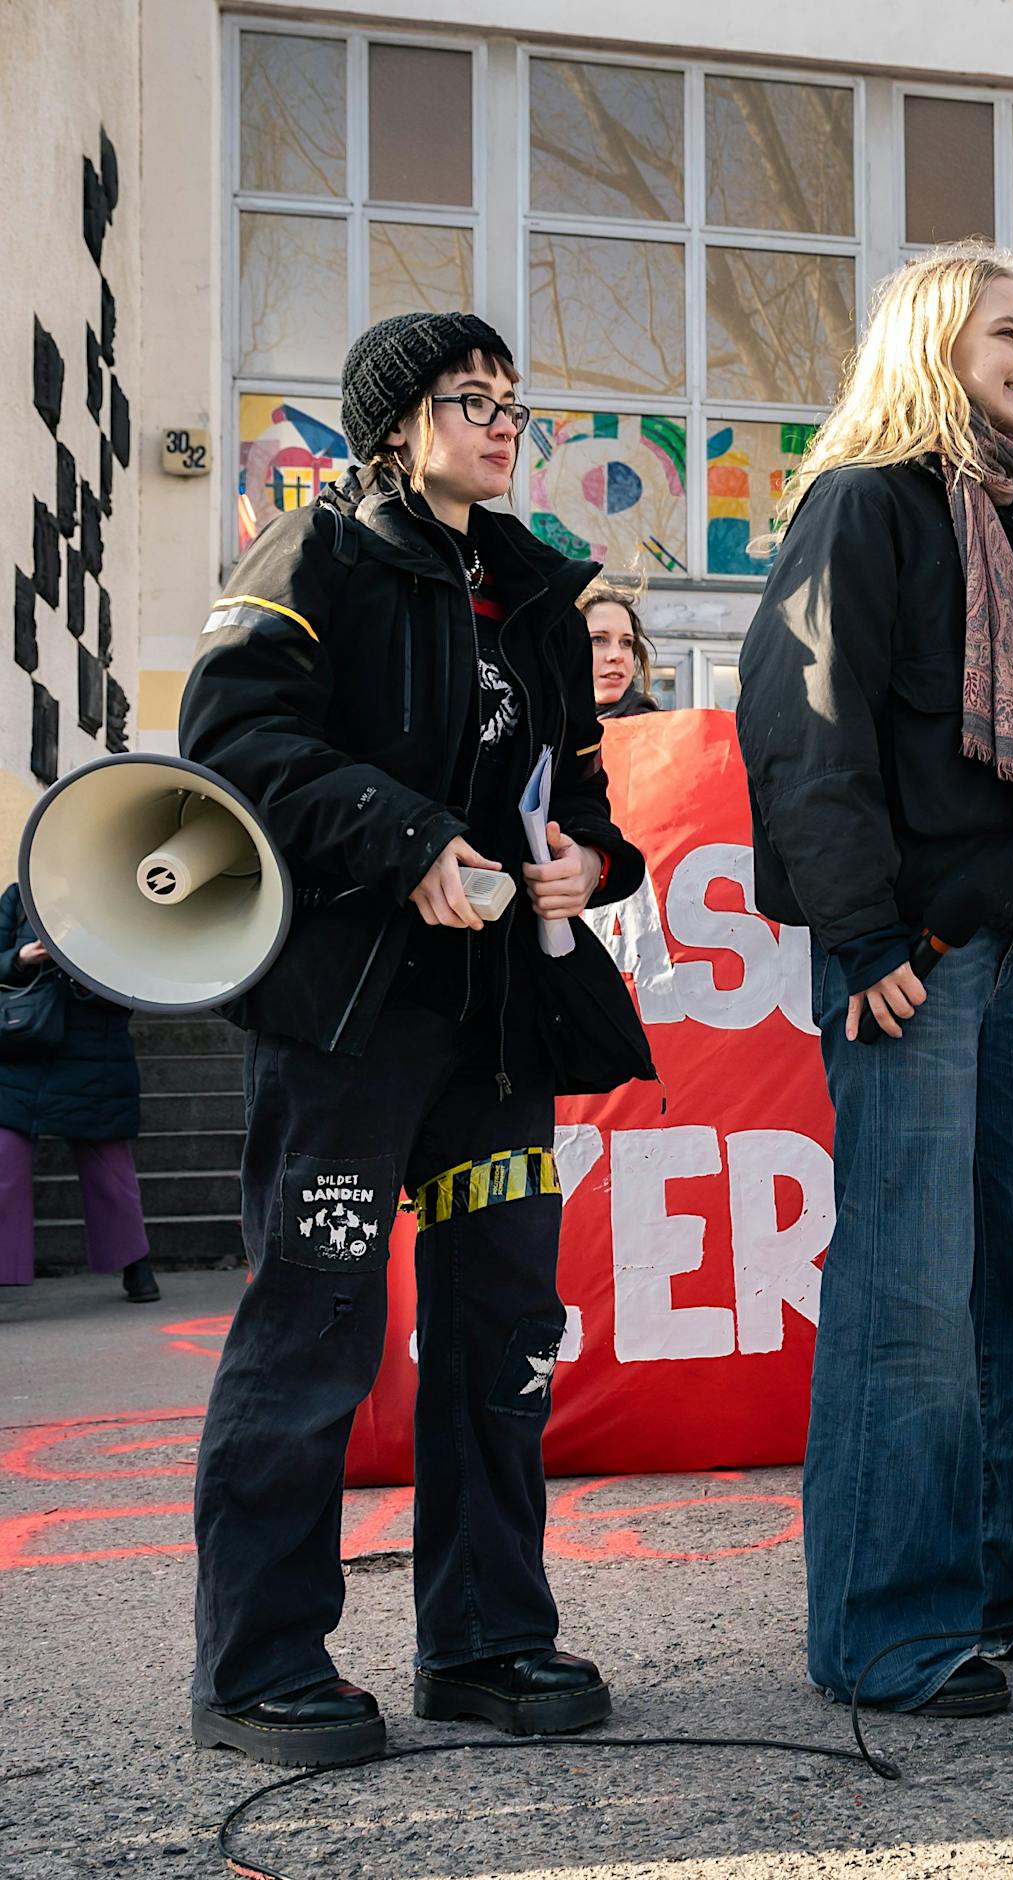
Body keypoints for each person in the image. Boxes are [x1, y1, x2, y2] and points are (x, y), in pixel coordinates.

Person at [179, 310, 653, 1768]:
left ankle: (486, 1638)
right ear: (394, 423)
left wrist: (588, 864)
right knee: (315, 1325)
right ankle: (259, 1667)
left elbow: (582, 798)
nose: (505, 425)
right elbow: (233, 746)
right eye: (471, 398)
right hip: (349, 1014)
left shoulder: (540, 592)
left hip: (498, 1022)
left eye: (516, 402)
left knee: (502, 1331)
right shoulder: (314, 555)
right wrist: (407, 840)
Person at [737, 242, 1013, 1719]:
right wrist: (858, 939)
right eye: (1007, 332)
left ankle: (988, 1572)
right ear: (933, 347)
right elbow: (800, 725)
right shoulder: (864, 502)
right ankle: (885, 1629)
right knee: (906, 1292)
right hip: (916, 957)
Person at [0, 882, 157, 1301]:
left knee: (110, 1170)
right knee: (4, 1165)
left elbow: (138, 982)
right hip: (23, 1050)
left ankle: (135, 1265)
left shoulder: (114, 894)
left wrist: (84, 974)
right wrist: (21, 958)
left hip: (95, 1053)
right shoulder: (19, 897)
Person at [580, 571, 664, 718]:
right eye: (598, 639)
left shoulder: (658, 729)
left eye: (626, 642)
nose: (617, 655)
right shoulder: (541, 723)